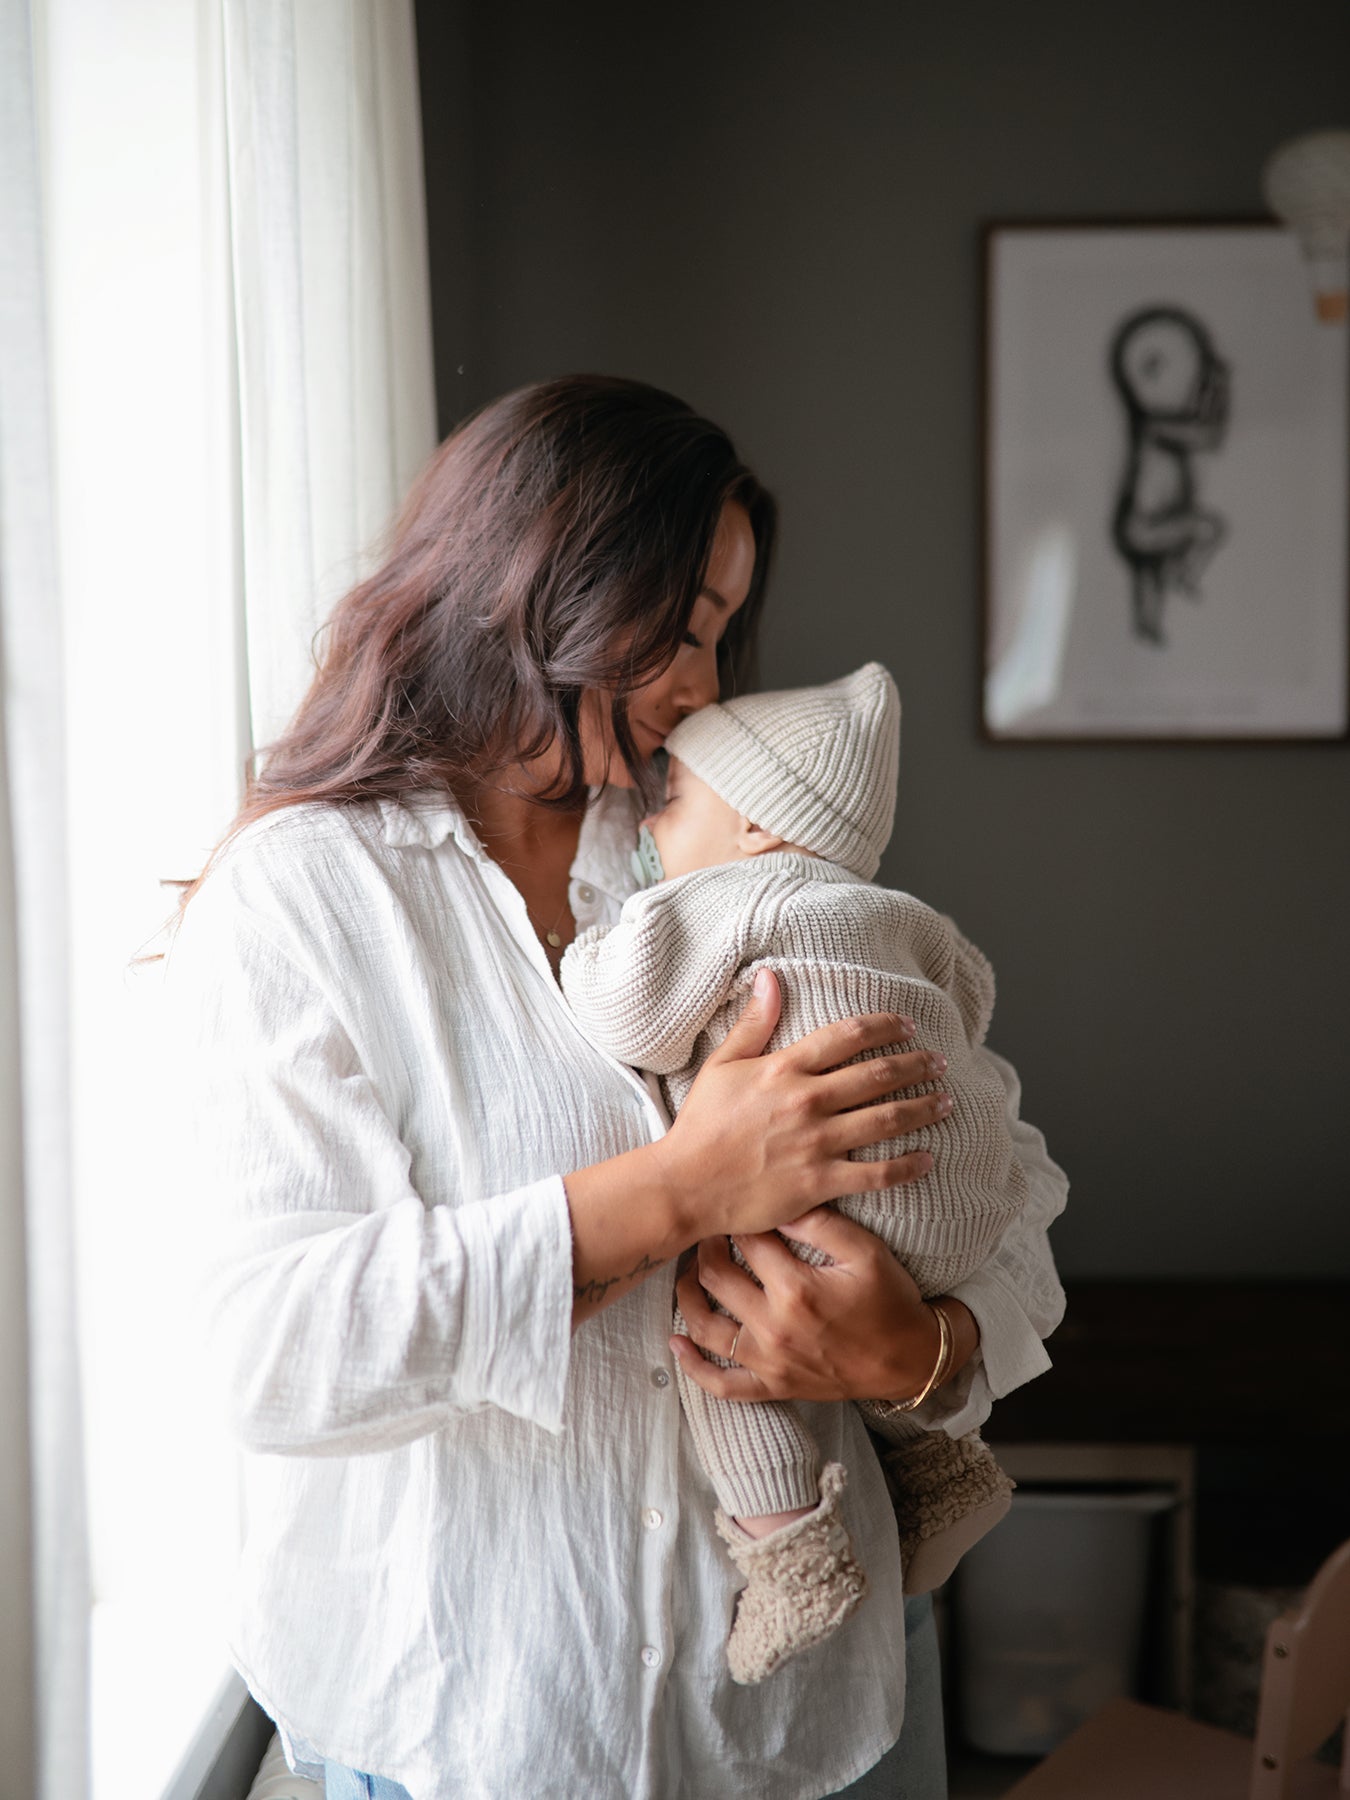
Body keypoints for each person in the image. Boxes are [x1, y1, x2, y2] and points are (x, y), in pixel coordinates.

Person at [166, 374, 1067, 1800]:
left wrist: (920, 1353)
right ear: (539, 585)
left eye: (721, 634)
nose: (708, 686)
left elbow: (1004, 1174)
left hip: (811, 1734)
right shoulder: (303, 904)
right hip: (475, 1736)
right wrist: (676, 1193)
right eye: (683, 629)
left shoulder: (711, 851)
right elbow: (269, 1351)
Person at [560, 662, 1024, 1685]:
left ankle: (791, 1555)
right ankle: (941, 1465)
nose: (647, 824)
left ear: (759, 828)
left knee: (713, 1321)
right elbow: (973, 1004)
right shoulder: (906, 915)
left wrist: (587, 952)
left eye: (670, 798)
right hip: (953, 1198)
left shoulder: (724, 899)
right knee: (849, 1327)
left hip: (834, 1192)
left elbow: (627, 1015)